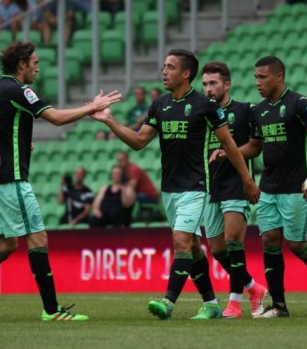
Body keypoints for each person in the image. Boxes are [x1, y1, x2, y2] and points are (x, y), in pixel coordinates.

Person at [0, 41, 121, 323]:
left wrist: (8, 144)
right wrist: (93, 107)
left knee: (6, 244)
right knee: (38, 238)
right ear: (22, 64)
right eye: (35, 63)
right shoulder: (19, 89)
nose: (38, 68)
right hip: (9, 178)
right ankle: (51, 311)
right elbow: (55, 118)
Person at [90, 48, 260, 320]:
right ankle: (211, 303)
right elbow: (138, 141)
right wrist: (109, 119)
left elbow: (229, 144)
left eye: (170, 67)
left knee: (180, 241)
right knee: (192, 245)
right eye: (163, 67)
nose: (163, 72)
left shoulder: (206, 106)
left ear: (185, 73)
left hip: (196, 186)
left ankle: (168, 302)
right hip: (169, 188)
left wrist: (248, 181)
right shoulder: (160, 105)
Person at [235, 56, 307, 318]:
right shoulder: (258, 111)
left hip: (296, 186)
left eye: (263, 77)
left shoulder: (300, 103)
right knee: (270, 241)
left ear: (279, 76)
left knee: (295, 244)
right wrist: (230, 152)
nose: (257, 82)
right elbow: (255, 146)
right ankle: (279, 306)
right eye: (255, 77)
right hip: (268, 187)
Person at [200, 61, 268, 318]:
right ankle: (254, 288)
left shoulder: (244, 110)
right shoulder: (200, 112)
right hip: (209, 187)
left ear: (227, 85)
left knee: (232, 242)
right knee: (217, 250)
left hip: (236, 185)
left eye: (213, 83)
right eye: (205, 84)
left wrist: (228, 153)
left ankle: (234, 303)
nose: (208, 89)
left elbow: (255, 146)